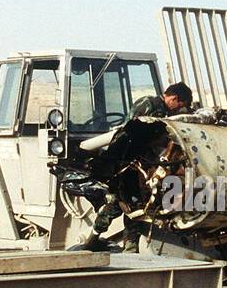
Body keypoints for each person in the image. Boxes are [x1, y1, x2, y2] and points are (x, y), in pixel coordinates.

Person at [83, 82, 194, 251]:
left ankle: (130, 249)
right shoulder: (148, 105)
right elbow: (131, 134)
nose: (178, 110)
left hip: (145, 168)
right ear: (174, 98)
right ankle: (93, 238)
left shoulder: (163, 111)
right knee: (116, 204)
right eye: (180, 105)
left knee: (135, 209)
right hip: (129, 166)